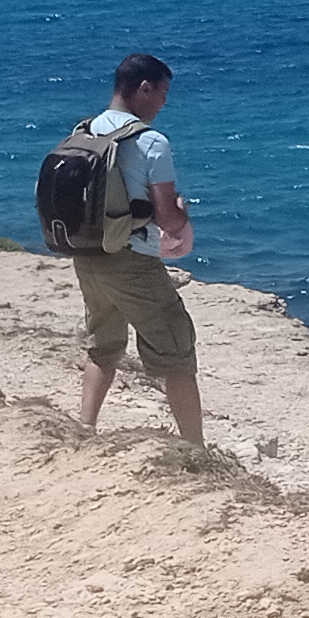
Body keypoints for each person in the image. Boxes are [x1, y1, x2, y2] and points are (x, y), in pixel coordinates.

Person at [71, 52, 203, 444]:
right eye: (162, 94)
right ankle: (195, 447)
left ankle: (85, 428)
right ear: (144, 88)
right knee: (177, 351)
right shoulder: (150, 142)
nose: (164, 103)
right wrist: (182, 213)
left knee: (103, 344)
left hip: (88, 254)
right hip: (131, 261)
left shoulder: (84, 131)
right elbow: (167, 219)